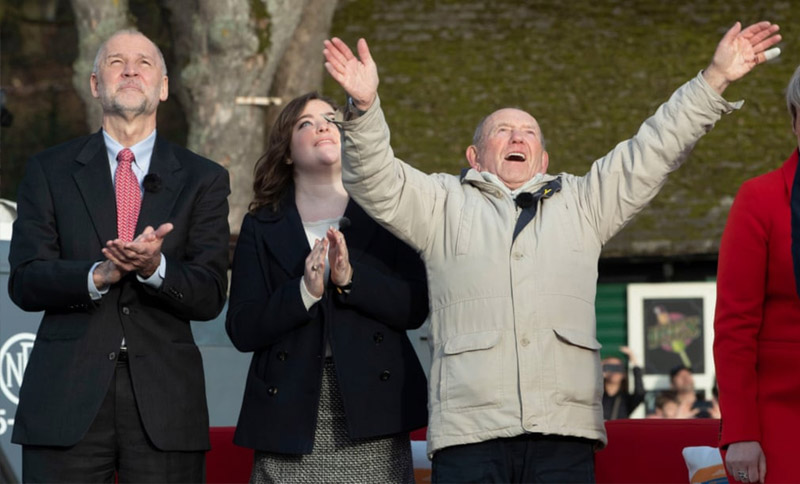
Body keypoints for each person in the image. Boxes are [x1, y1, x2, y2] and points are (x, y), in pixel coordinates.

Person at [323, 20, 781, 483]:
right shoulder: (441, 204)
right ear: (474, 156)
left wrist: (714, 80)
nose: (518, 137)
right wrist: (363, 108)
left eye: (529, 132)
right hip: (469, 435)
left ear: (543, 159)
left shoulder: (585, 203)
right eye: (503, 130)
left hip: (563, 437)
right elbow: (375, 178)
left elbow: (655, 149)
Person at [8, 29, 230, 482]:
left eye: (144, 63)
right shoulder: (48, 170)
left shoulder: (203, 178)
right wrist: (97, 275)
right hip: (66, 398)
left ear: (164, 87)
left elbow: (210, 294)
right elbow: (26, 280)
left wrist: (155, 269)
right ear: (94, 85)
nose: (130, 70)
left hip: (165, 402)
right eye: (115, 62)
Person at [225, 92, 429, 483]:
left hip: (372, 409)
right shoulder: (261, 225)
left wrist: (350, 280)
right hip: (288, 410)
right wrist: (303, 292)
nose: (322, 126)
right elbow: (242, 327)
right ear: (286, 152)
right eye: (305, 123)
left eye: (331, 119)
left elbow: (415, 306)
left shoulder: (386, 211)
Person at [714, 63, 800, 484]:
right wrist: (742, 432)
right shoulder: (759, 199)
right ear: (795, 123)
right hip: (783, 417)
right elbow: (734, 327)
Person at [602, 346, 644, 420]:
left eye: (617, 368)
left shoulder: (626, 400)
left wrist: (634, 361)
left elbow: (640, 393)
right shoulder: (596, 397)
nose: (613, 372)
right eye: (609, 367)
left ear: (624, 374)